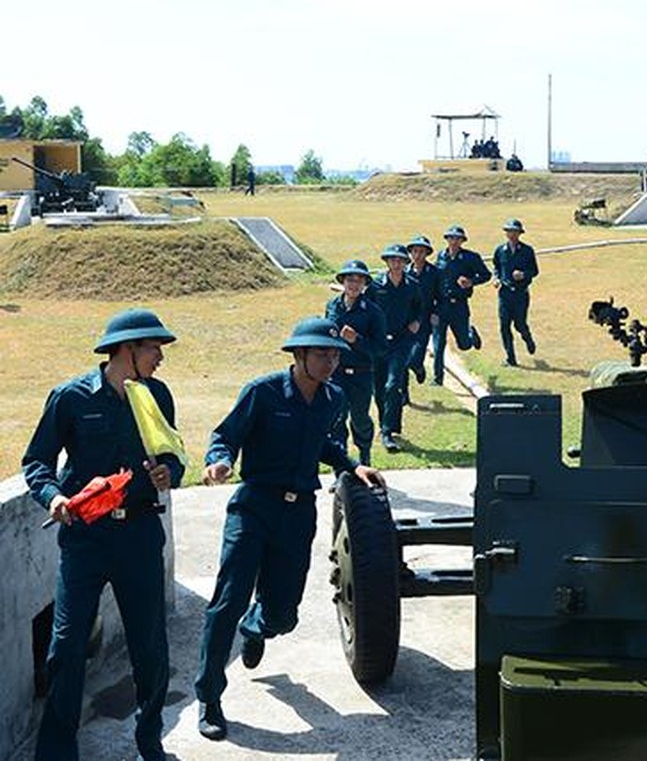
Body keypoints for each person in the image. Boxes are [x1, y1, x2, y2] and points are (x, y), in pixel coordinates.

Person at [195, 317, 385, 741]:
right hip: (254, 507)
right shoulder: (262, 393)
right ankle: (209, 696)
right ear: (298, 356)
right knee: (227, 601)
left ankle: (257, 626)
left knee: (285, 614)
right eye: (322, 354)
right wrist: (219, 460)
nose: (331, 362)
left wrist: (353, 465)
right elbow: (225, 435)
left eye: (335, 354)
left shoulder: (332, 397)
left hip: (299, 514)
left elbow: (322, 444)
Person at [23, 308, 185, 761]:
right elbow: (36, 461)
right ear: (126, 350)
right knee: (67, 646)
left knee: (149, 646)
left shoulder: (155, 395)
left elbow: (173, 452)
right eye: (153, 348)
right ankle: (56, 753)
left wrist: (168, 473)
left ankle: (150, 740)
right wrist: (53, 496)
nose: (160, 357)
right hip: (85, 538)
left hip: (139, 536)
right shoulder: (71, 397)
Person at [325, 259, 387, 465]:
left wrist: (357, 340)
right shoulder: (332, 306)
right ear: (343, 281)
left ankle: (365, 459)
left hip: (361, 373)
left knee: (360, 419)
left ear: (364, 285)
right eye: (350, 280)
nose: (353, 285)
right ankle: (340, 467)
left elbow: (380, 349)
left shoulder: (373, 311)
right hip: (336, 373)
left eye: (359, 281)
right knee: (336, 420)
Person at [368, 244, 422, 452]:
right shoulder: (375, 285)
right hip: (379, 342)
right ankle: (387, 424)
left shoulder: (412, 285)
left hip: (401, 342)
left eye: (400, 260)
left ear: (405, 263)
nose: (396, 263)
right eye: (392, 260)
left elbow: (419, 306)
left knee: (393, 384)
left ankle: (388, 431)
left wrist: (416, 321)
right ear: (387, 262)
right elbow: (367, 308)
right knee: (379, 388)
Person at [431, 224, 490, 386]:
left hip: (459, 306)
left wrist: (471, 282)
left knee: (464, 345)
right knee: (438, 344)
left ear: (462, 241)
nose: (454, 241)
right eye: (451, 238)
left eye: (457, 239)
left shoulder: (471, 258)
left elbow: (486, 275)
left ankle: (471, 335)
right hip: (441, 306)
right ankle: (438, 379)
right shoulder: (441, 256)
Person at [492, 217, 539, 366]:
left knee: (519, 324)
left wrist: (524, 274)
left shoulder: (527, 251)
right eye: (509, 232)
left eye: (515, 232)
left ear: (520, 234)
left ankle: (528, 338)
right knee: (504, 326)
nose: (512, 235)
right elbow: (496, 267)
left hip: (520, 294)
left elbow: (535, 271)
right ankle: (510, 358)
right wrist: (496, 279)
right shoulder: (500, 250)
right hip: (504, 293)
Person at [405, 234, 440, 389]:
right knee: (402, 360)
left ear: (427, 254)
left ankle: (419, 368)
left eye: (422, 252)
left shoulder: (434, 273)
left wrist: (436, 313)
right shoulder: (404, 272)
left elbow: (441, 297)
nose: (418, 255)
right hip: (404, 321)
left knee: (415, 358)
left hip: (424, 321)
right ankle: (403, 396)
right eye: (415, 251)